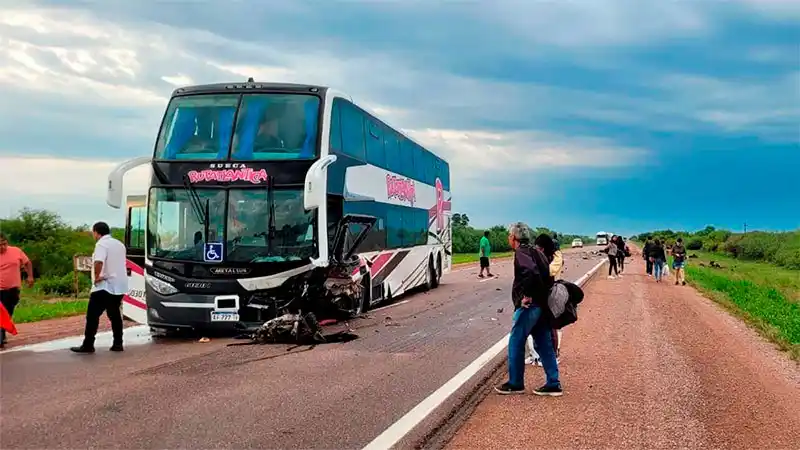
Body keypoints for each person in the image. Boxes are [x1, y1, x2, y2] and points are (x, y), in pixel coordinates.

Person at [495, 223, 561, 396]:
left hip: (530, 306)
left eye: (509, 236)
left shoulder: (521, 252)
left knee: (516, 341)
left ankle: (516, 383)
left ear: (513, 238)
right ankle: (553, 383)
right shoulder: (536, 252)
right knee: (544, 344)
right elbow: (547, 275)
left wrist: (527, 295)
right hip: (542, 305)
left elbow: (530, 272)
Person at [71, 222, 128, 354]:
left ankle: (88, 345)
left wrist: (97, 276)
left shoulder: (101, 244)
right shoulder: (119, 244)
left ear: (96, 232)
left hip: (105, 285)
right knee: (114, 315)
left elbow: (98, 261)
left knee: (92, 316)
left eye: (93, 233)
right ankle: (118, 343)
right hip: (119, 285)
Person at [526, 234, 564, 366]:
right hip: (540, 295)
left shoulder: (556, 257)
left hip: (552, 294)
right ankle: (534, 355)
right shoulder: (541, 257)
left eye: (540, 248)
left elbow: (549, 272)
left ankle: (553, 355)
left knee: (550, 326)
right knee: (535, 326)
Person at [0, 233, 34, 348]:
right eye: (0, 245)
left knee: (8, 312)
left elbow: (27, 263)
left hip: (13, 289)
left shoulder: (16, 251)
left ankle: (2, 333)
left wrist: (30, 276)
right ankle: (0, 336)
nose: (2, 247)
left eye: (4, 244)